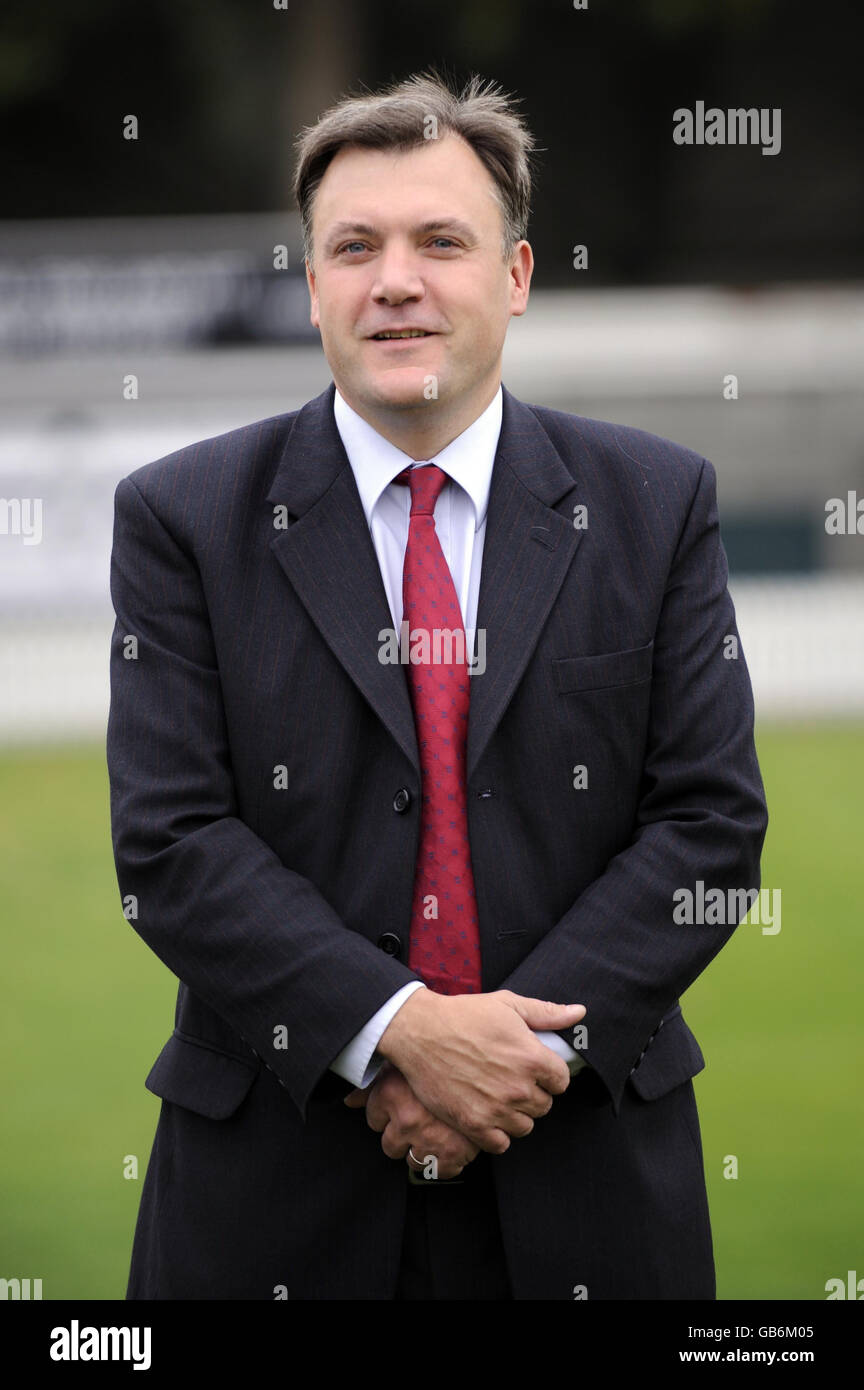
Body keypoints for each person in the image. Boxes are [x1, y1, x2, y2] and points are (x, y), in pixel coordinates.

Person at [107, 70, 768, 1301]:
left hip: (587, 1177)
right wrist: (398, 1030)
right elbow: (171, 843)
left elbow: (711, 827)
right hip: (274, 1192)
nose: (394, 279)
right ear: (312, 290)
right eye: (353, 247)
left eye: (441, 242)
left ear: (515, 277)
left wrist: (518, 1063)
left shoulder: (656, 501)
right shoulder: (181, 518)